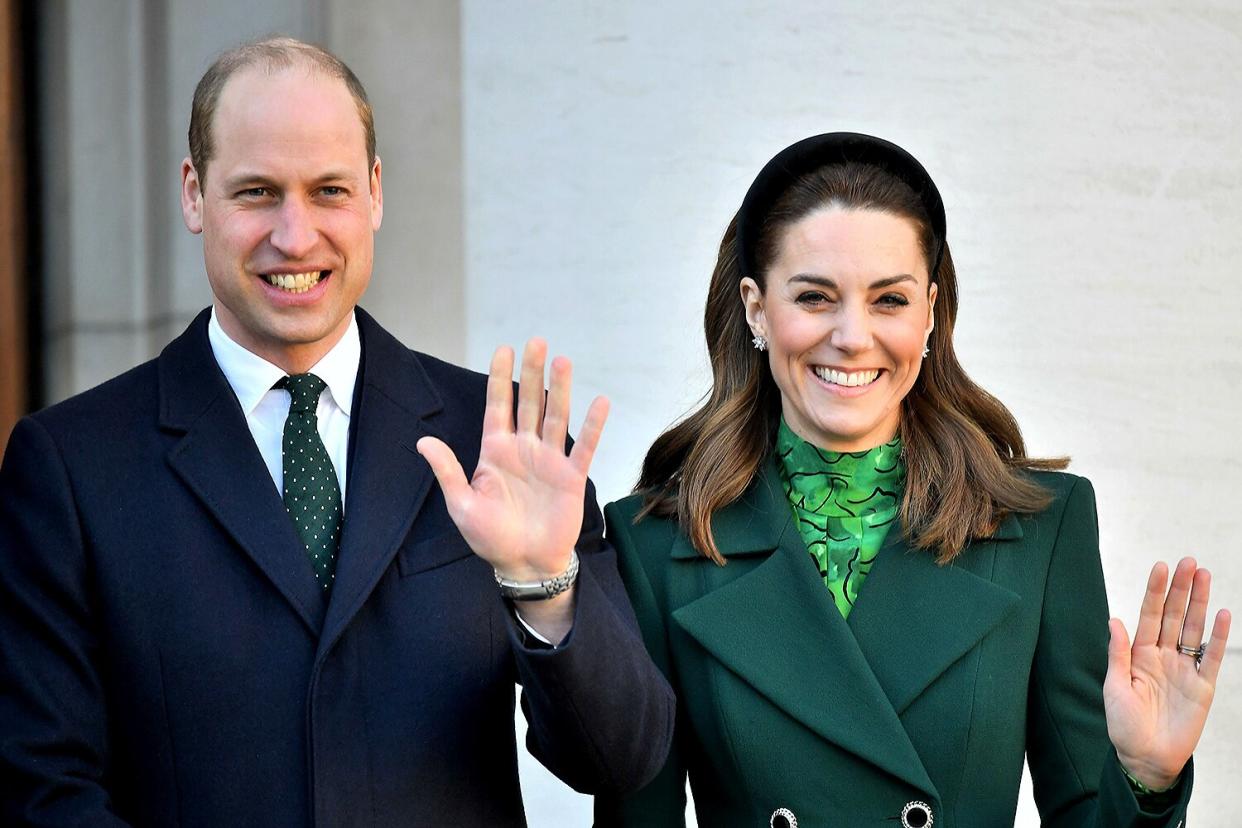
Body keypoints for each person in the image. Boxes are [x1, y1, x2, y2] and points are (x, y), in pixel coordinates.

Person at [0, 37, 673, 826]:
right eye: (256, 192)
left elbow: (621, 759)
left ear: (376, 194)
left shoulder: (498, 441)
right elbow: (41, 791)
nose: (295, 235)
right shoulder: (74, 467)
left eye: (329, 191)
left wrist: (544, 586)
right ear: (193, 195)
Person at [594, 133, 1230, 827]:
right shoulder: (655, 545)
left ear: (929, 312)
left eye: (888, 301)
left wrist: (1145, 780)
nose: (852, 336)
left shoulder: (1041, 528)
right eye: (814, 297)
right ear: (755, 307)